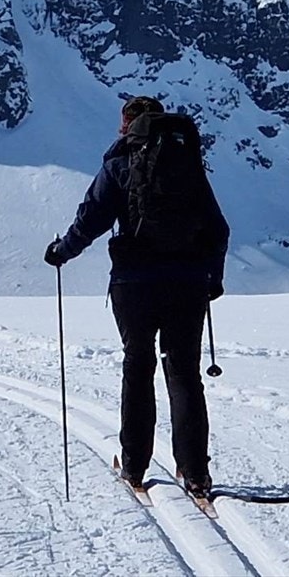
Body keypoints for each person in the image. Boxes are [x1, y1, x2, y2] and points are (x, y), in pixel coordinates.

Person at [43, 96, 230, 500]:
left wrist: (62, 252)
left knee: (138, 367)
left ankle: (134, 466)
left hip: (134, 283)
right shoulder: (188, 163)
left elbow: (91, 219)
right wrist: (212, 277)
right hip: (187, 282)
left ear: (128, 124)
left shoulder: (120, 164)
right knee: (183, 375)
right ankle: (195, 472)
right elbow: (217, 227)